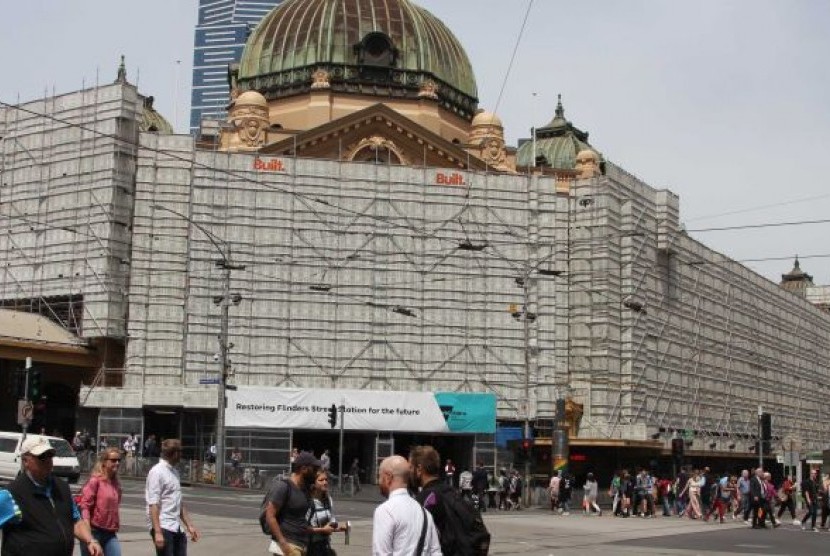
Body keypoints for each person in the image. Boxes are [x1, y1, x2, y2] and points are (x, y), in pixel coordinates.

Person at [0, 436, 103, 556]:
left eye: (50, 455)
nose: (48, 460)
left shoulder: (62, 488)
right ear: (25, 461)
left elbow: (75, 521)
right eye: (42, 457)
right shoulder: (11, 493)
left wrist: (90, 541)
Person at [373, 455, 441, 555]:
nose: (379, 482)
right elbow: (436, 552)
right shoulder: (425, 513)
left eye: (380, 476)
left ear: (388, 477)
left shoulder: (385, 511)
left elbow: (380, 553)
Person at [145, 439, 200, 556]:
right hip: (163, 525)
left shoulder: (175, 472)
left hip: (175, 526)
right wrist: (158, 531)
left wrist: (189, 525)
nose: (181, 455)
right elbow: (153, 504)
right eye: (180, 452)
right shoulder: (156, 472)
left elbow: (179, 502)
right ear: (174, 453)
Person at [263, 451, 321, 556]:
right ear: (303, 469)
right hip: (288, 545)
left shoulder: (304, 489)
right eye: (314, 469)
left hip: (301, 544)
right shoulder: (283, 487)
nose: (316, 472)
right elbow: (270, 515)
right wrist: (283, 542)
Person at [78, 447, 123, 556]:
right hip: (94, 531)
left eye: (119, 460)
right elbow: (85, 505)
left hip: (110, 533)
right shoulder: (95, 481)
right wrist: (87, 529)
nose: (117, 463)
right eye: (113, 460)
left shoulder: (116, 484)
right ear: (104, 462)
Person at [308, 469, 346, 556]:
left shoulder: (328, 500)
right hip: (310, 548)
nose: (325, 482)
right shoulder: (308, 502)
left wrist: (339, 528)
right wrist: (322, 530)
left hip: (324, 546)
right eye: (321, 480)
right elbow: (302, 528)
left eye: (326, 479)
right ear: (313, 483)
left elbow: (329, 525)